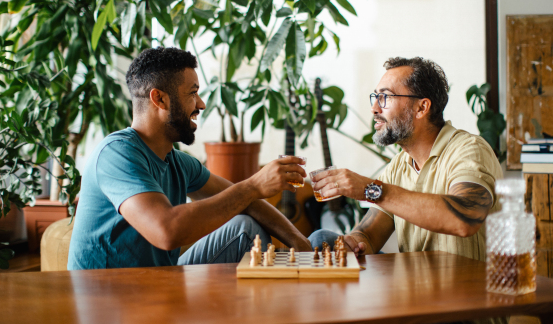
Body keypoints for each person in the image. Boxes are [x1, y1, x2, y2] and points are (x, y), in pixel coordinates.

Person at [68, 47, 311, 270]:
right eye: (193, 93)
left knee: (248, 229)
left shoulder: (178, 162)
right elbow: (166, 231)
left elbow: (248, 202)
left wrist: (298, 241)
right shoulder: (116, 153)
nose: (201, 104)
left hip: (158, 284)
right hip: (110, 302)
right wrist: (253, 186)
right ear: (159, 99)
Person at [310, 57, 503, 263]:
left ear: (422, 107)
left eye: (385, 97)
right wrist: (353, 243)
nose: (375, 108)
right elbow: (368, 236)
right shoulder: (399, 165)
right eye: (375, 97)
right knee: (321, 238)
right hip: (416, 287)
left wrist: (370, 189)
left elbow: (465, 218)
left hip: (469, 290)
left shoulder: (469, 149)